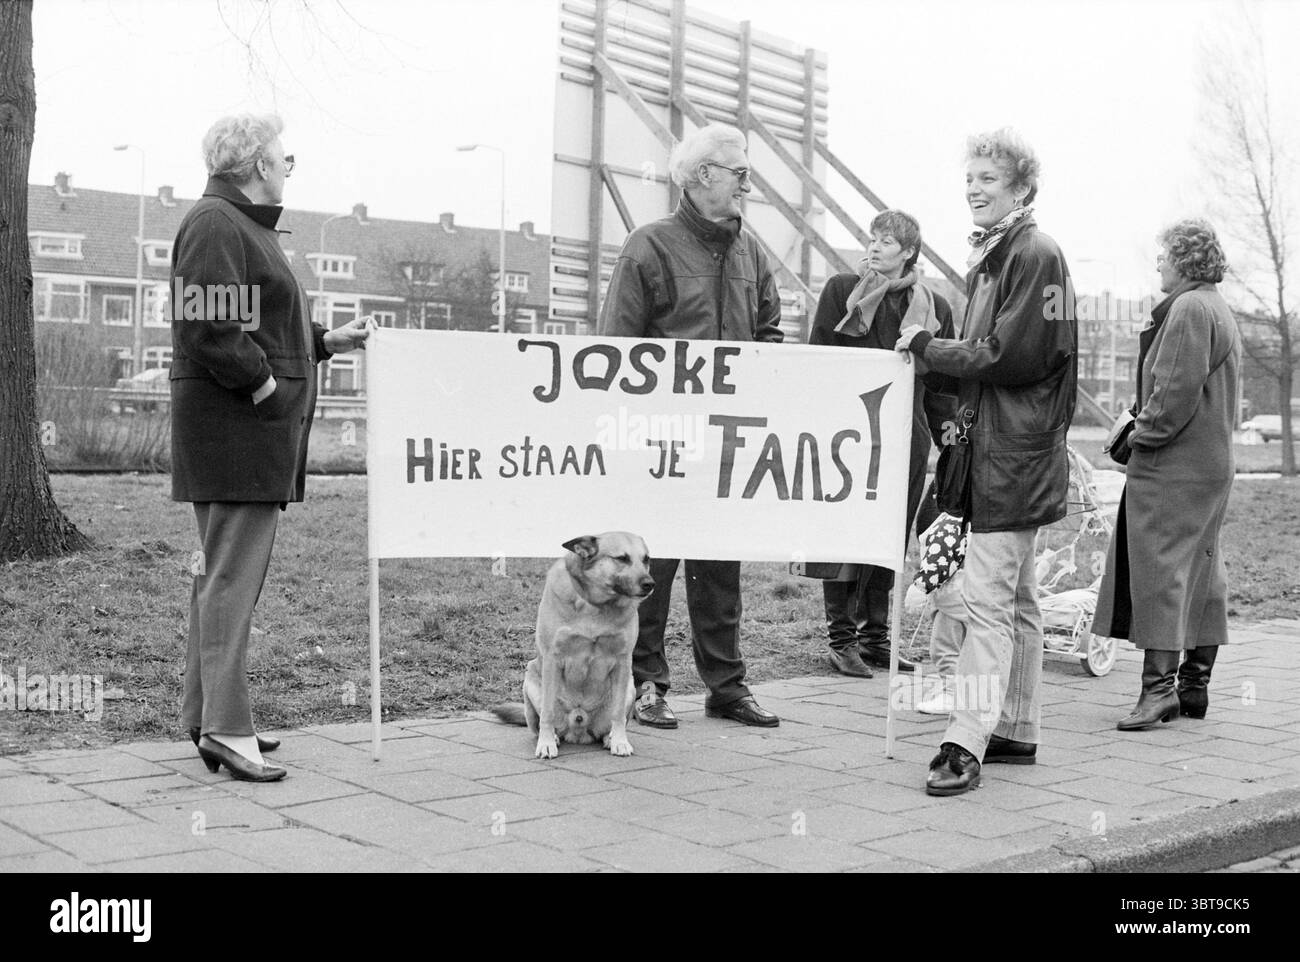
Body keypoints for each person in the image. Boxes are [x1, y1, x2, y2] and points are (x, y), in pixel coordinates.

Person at [171, 113, 371, 781]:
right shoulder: (216, 223)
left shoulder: (243, 226)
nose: (289, 165)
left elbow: (260, 316)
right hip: (237, 434)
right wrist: (263, 387)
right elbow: (209, 327)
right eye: (285, 156)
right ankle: (229, 729)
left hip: (245, 434)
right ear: (257, 163)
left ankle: (205, 717)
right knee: (232, 580)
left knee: (219, 577)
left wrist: (323, 341)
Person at [896, 127, 1078, 796]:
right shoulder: (1012, 255)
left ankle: (963, 742)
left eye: (988, 181)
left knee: (985, 604)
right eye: (969, 179)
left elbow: (1015, 355)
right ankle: (1016, 728)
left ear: (1021, 189)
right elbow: (1025, 352)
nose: (973, 190)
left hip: (1011, 458)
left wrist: (929, 348)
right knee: (1019, 600)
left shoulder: (1030, 256)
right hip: (1011, 453)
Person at [597, 123, 783, 729]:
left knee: (720, 565)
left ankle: (726, 685)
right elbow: (614, 348)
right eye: (740, 174)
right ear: (704, 175)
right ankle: (647, 684)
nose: (747, 187)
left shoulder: (753, 252)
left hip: (728, 442)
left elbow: (771, 337)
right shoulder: (647, 247)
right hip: (659, 441)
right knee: (653, 565)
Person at [1092, 219, 1240, 730]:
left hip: (1173, 467)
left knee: (1162, 574)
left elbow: (1172, 394)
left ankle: (1158, 693)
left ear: (1185, 261)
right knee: (1202, 571)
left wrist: (1136, 438)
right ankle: (1194, 688)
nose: (1157, 263)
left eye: (1164, 255)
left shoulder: (1190, 308)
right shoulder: (1216, 305)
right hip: (1209, 463)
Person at [808, 210, 954, 679]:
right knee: (844, 531)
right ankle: (841, 638)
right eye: (871, 238)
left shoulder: (936, 309)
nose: (873, 248)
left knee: (891, 536)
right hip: (849, 433)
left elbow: (942, 384)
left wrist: (947, 434)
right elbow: (818, 360)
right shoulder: (841, 292)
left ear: (909, 251)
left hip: (906, 436)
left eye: (886, 241)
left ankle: (876, 637)